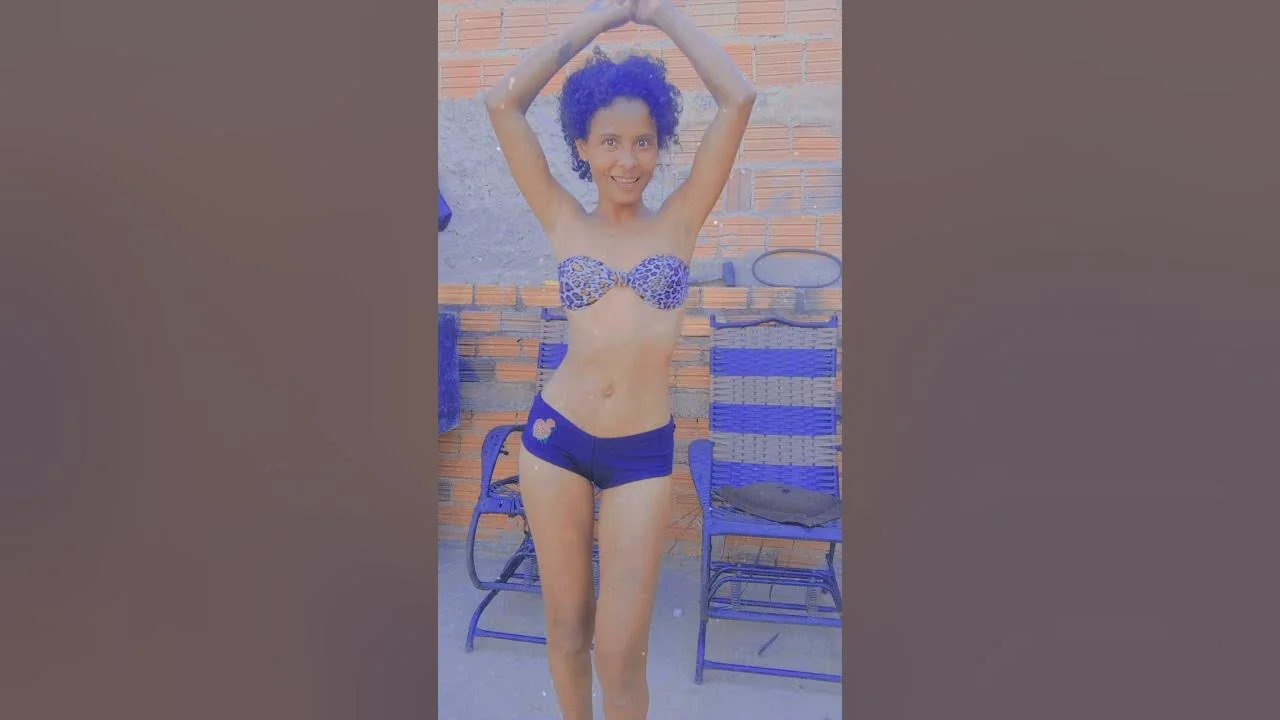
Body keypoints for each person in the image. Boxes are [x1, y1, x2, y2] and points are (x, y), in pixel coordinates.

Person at [484, 0, 755, 717]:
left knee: (620, 653)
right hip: (556, 439)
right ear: (582, 145)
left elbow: (739, 97)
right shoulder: (562, 217)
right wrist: (601, 20)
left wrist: (659, 14)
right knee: (568, 630)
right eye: (609, 142)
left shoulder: (680, 220)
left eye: (642, 143)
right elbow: (503, 103)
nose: (626, 161)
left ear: (659, 145)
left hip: (641, 451)